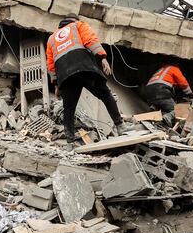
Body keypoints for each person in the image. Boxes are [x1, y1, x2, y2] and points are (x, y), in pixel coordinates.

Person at [46, 14, 130, 142]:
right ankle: (120, 126)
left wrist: (56, 84)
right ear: (75, 20)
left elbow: (51, 64)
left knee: (68, 108)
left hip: (65, 75)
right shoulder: (78, 25)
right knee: (106, 95)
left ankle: (70, 140)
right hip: (83, 66)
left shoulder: (51, 39)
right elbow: (90, 40)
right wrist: (102, 57)